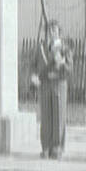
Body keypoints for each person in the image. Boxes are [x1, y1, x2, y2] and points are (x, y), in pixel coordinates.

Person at [31, 19, 73, 159]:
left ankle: (57, 147)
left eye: (54, 31)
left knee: (58, 116)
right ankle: (46, 147)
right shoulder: (41, 47)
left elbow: (69, 69)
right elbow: (34, 64)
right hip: (45, 85)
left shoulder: (65, 48)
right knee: (46, 116)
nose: (51, 33)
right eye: (49, 31)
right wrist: (34, 76)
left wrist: (61, 63)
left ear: (59, 33)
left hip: (59, 84)